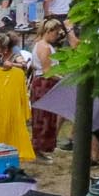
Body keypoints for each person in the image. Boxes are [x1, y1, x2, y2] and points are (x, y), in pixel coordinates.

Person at [28, 19, 66, 158]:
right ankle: (40, 147)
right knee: (43, 117)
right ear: (49, 32)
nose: (57, 36)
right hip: (44, 83)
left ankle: (42, 146)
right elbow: (47, 70)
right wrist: (63, 79)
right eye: (55, 33)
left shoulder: (39, 44)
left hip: (42, 82)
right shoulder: (44, 47)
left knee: (45, 116)